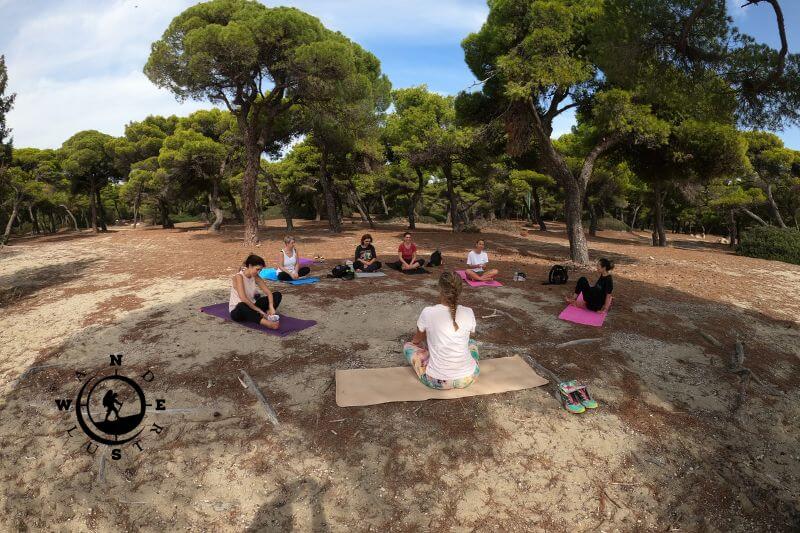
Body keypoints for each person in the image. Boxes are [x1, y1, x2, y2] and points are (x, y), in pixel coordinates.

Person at [403, 272, 480, 389]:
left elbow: (416, 340)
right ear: (460, 290)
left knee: (408, 346)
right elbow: (468, 335)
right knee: (472, 343)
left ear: (440, 289)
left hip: (436, 380)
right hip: (468, 377)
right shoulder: (468, 311)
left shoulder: (428, 312)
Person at [230, 254, 282, 329]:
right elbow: (243, 299)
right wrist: (260, 311)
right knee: (242, 305)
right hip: (238, 310)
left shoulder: (256, 277)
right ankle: (267, 323)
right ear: (250, 266)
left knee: (277, 295)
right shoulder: (239, 277)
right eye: (257, 269)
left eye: (260, 270)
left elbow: (268, 292)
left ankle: (267, 314)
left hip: (252, 306)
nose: (259, 272)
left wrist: (271, 306)